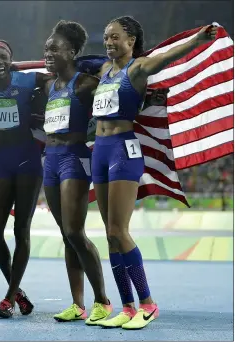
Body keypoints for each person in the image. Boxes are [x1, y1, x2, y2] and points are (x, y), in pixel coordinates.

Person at [91, 16, 218, 330]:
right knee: (109, 236)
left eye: (115, 37)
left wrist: (197, 41)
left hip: (123, 150)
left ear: (131, 40)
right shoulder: (103, 70)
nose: (109, 42)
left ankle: (148, 303)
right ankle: (127, 306)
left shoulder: (138, 68)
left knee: (119, 231)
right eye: (106, 37)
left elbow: (165, 58)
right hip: (100, 151)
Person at [0, 40, 53, 318]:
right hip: (1, 164)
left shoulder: (27, 80)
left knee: (21, 231)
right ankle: (18, 293)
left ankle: (8, 298)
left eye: (4, 55)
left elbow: (57, 74)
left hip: (28, 161)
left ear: (11, 60)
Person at [41, 20, 112, 325]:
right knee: (65, 235)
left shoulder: (85, 84)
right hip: (50, 160)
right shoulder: (47, 85)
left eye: (53, 48)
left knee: (74, 232)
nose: (46, 52)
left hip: (75, 157)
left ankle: (103, 301)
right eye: (45, 48)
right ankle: (77, 304)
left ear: (70, 52)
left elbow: (117, 82)